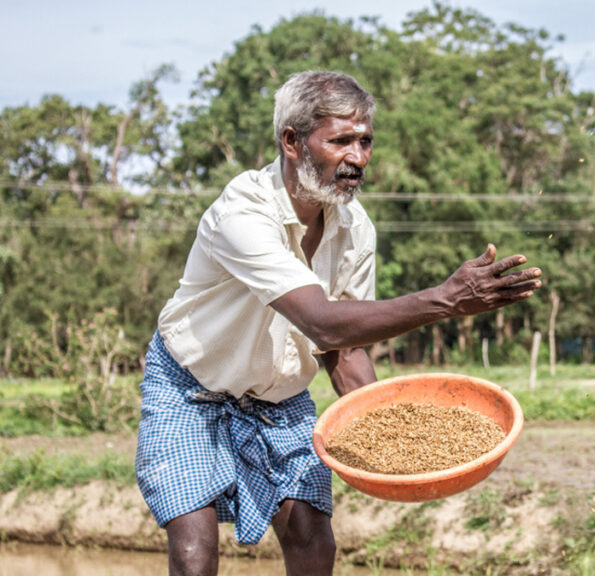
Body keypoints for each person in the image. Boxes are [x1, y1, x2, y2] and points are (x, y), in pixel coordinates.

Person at [134, 70, 542, 576]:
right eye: (341, 141)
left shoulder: (355, 227)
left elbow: (342, 350)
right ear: (291, 141)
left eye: (366, 141)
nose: (358, 157)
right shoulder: (243, 212)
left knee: (313, 538)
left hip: (278, 398)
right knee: (195, 552)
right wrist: (445, 300)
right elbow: (322, 323)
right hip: (192, 388)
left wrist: (385, 433)